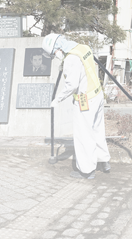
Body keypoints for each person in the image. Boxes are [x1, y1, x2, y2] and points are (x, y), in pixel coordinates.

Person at [42, 33, 111, 179]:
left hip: (85, 100)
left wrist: (57, 99)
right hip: (97, 94)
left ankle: (87, 171)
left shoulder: (71, 59)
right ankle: (104, 161)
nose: (56, 56)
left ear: (58, 47)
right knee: (97, 130)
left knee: (83, 135)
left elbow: (71, 85)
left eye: (54, 53)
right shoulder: (82, 48)